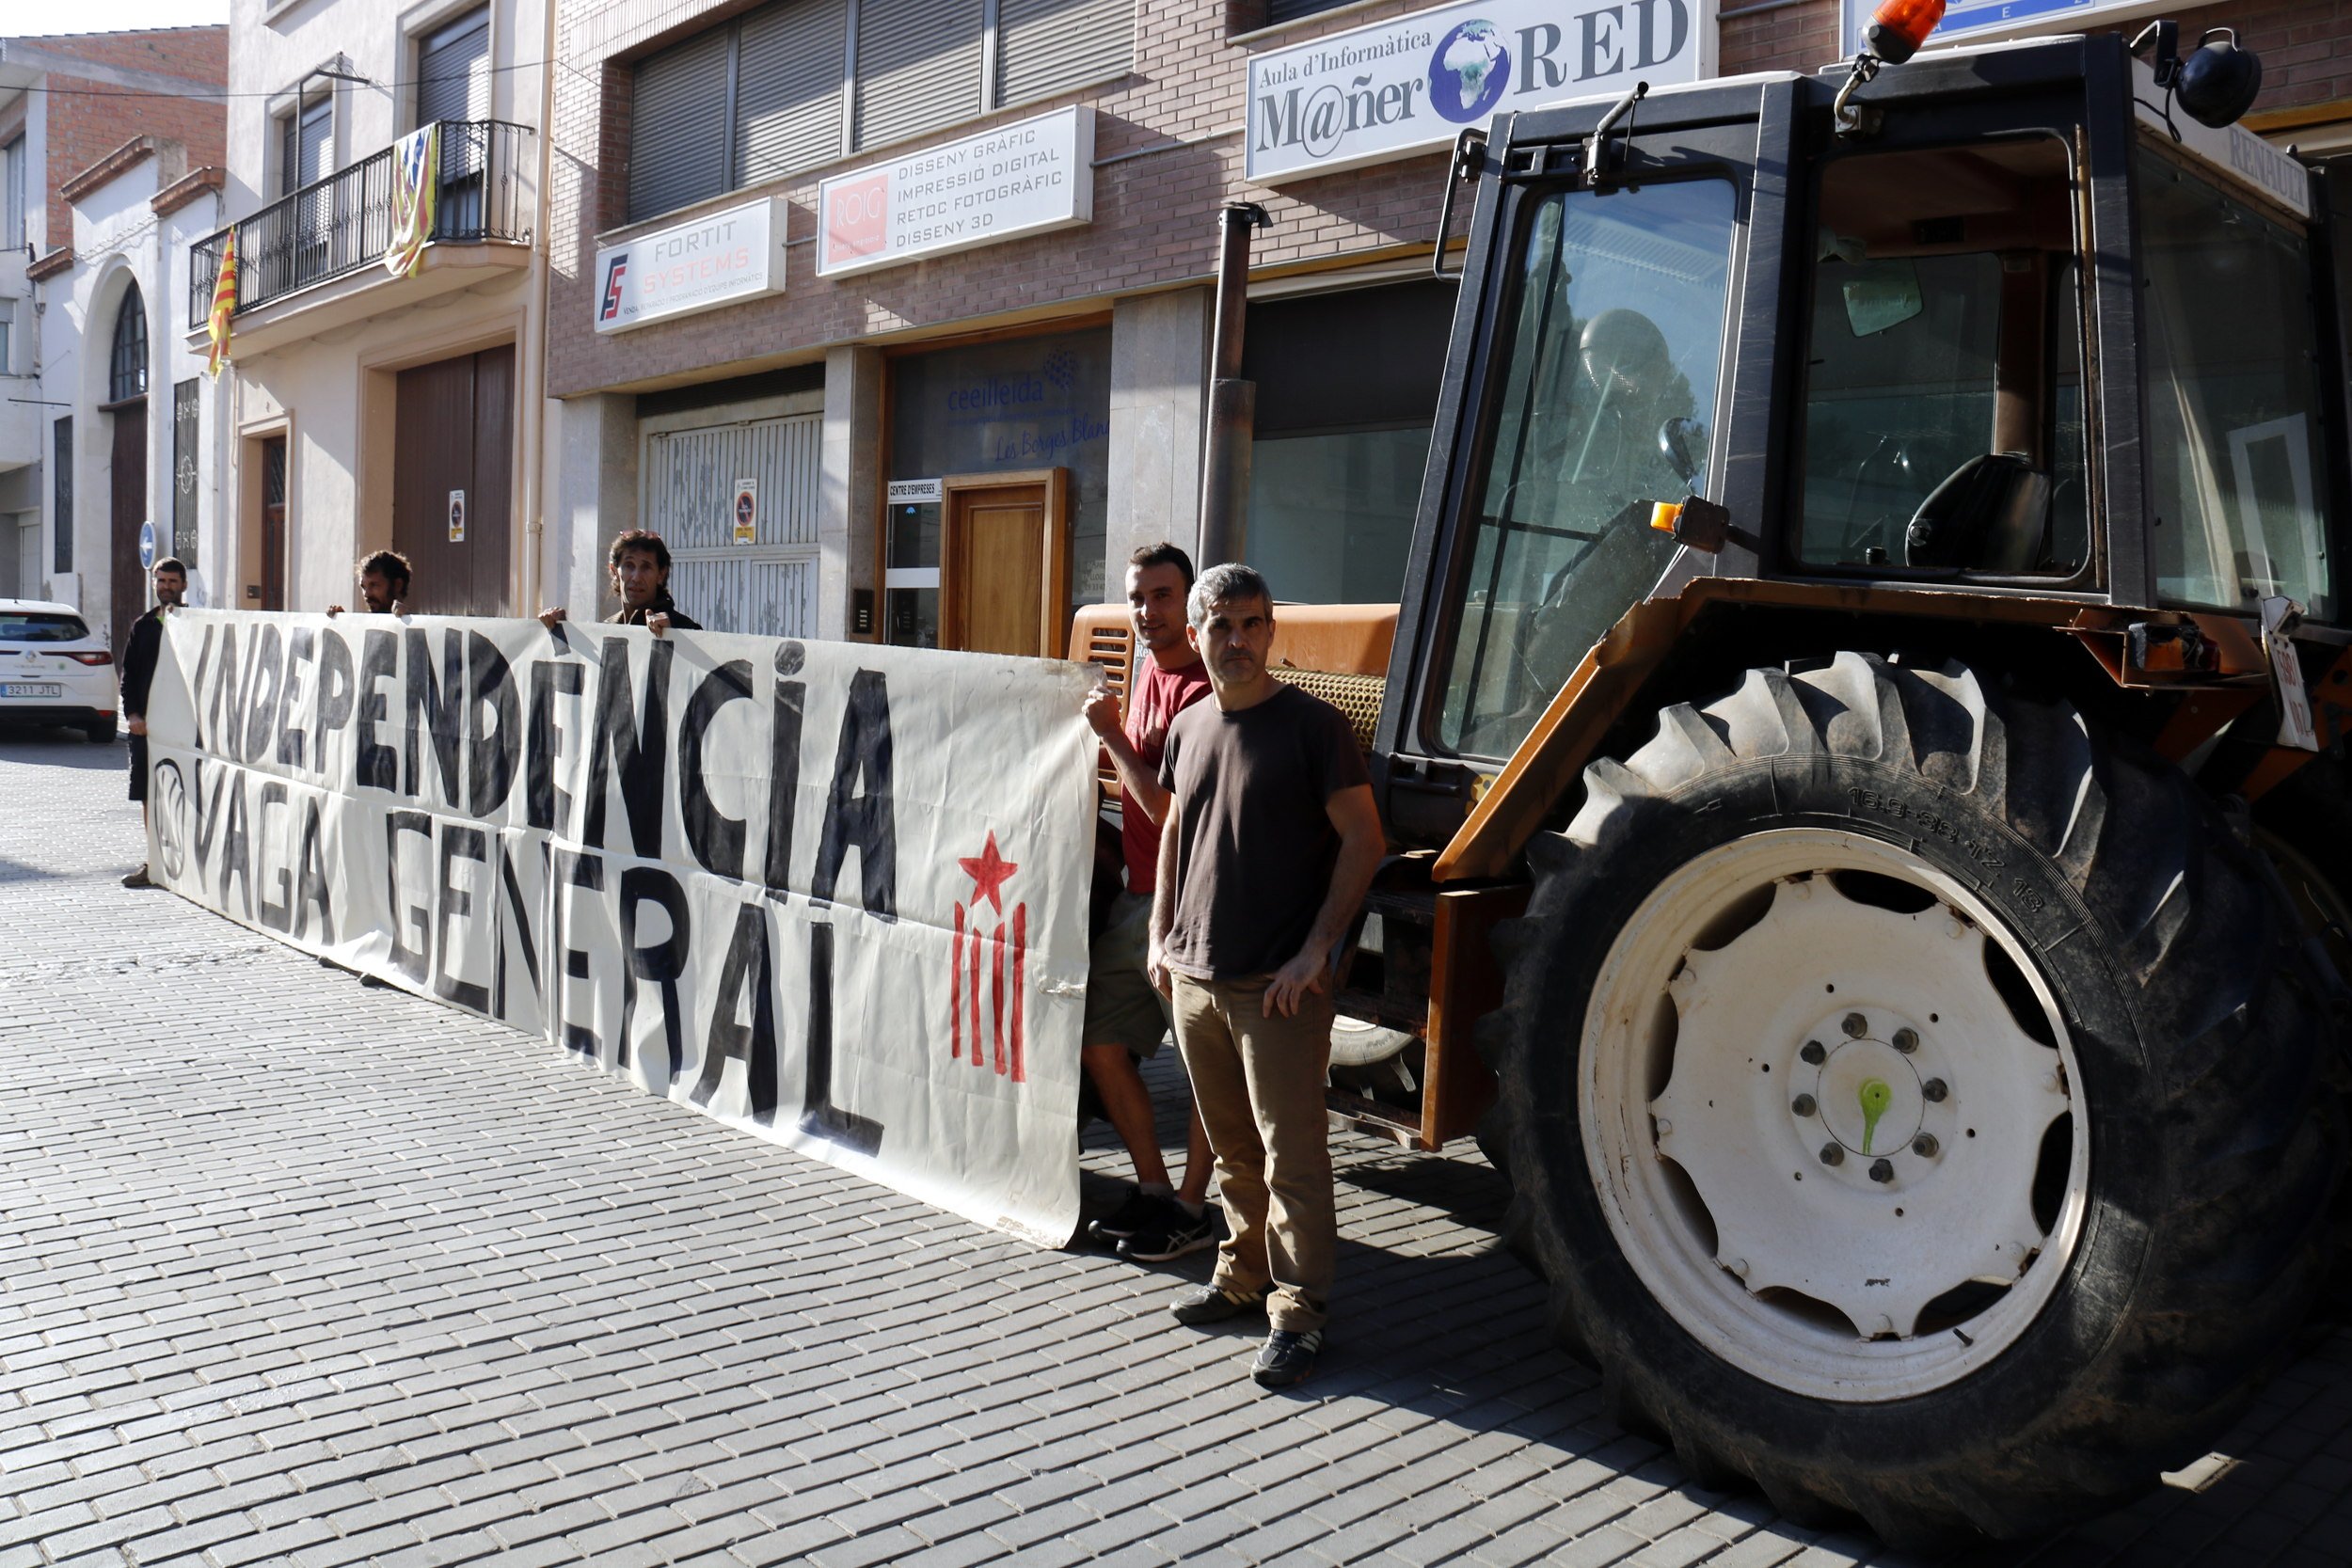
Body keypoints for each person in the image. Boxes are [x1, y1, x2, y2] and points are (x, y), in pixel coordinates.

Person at [1149, 562, 1383, 1389]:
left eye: (1253, 624)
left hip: (1277, 988)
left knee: (1294, 1160)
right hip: (1194, 978)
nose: (1238, 640)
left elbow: (1365, 840)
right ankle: (1242, 1276)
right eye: (1222, 625)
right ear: (1198, 635)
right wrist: (1160, 933)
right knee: (1233, 1151)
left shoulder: (1315, 728)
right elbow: (1176, 827)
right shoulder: (1189, 724)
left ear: (1271, 631)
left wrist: (1316, 950)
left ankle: (1298, 1315)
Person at [1078, 544, 1218, 1261]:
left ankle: (1194, 1206)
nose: (1145, 610)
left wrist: (1109, 734)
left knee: (1206, 1067)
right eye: (1137, 596)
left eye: (1162, 595)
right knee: (1099, 1042)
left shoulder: (1203, 691)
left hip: (1186, 906)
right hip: (1139, 897)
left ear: (1189, 604)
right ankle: (1156, 1189)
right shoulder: (1147, 672)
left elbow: (1169, 814)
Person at [119, 557, 187, 889]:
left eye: (172, 581)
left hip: (187, 731)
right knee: (150, 794)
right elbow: (129, 676)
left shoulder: (199, 625)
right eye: (161, 581)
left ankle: (192, 865)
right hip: (147, 729)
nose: (166, 587)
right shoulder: (142, 626)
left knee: (189, 793)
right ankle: (155, 863)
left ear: (184, 585)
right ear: (154, 584)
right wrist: (133, 715)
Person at [538, 530, 700, 634]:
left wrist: (675, 640)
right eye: (629, 566)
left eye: (646, 567)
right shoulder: (605, 630)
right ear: (614, 571)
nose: (636, 577)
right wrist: (560, 631)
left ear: (661, 574)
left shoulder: (687, 630)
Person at [326, 549, 412, 616]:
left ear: (398, 585)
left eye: (374, 585)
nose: (366, 594)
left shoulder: (416, 627)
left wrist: (406, 620)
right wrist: (340, 623)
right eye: (363, 587)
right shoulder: (362, 626)